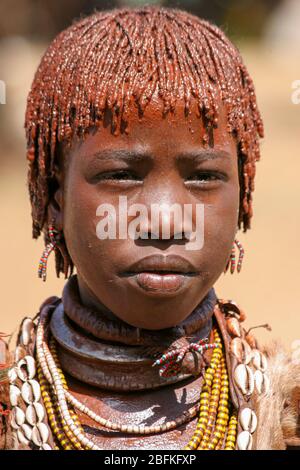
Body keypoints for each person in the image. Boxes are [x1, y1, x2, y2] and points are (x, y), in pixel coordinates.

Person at [0, 5, 299, 451]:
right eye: (121, 175)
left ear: (242, 196)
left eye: (203, 176)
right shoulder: (11, 408)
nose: (164, 219)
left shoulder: (287, 407)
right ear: (55, 200)